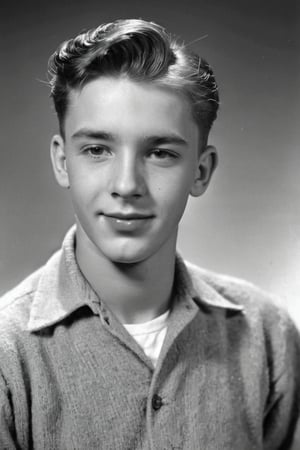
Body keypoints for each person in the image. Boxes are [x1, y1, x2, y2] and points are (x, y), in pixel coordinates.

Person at [0, 18, 299, 450]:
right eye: (97, 149)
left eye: (160, 153)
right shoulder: (8, 357)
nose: (126, 185)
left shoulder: (266, 335)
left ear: (201, 171)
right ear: (63, 162)